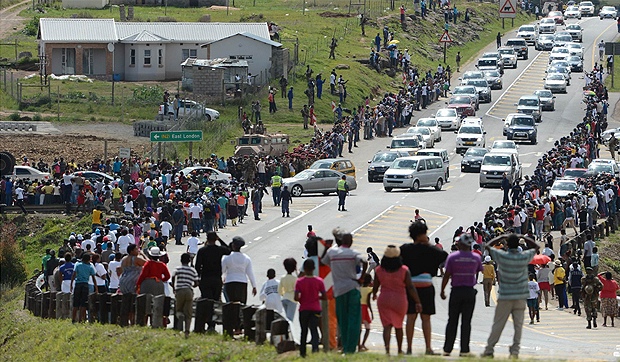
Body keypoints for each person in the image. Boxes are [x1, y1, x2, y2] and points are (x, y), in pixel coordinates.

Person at [482, 234, 539, 359]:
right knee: (518, 326)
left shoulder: (502, 256)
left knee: (498, 324)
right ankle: (515, 351)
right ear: (518, 245)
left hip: (505, 296)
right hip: (520, 296)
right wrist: (521, 237)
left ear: (507, 245)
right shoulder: (523, 257)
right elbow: (536, 246)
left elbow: (487, 246)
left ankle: (489, 349)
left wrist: (501, 237)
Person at [400, 221, 448, 355]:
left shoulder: (405, 249)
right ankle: (428, 348)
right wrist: (428, 244)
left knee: (411, 317)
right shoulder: (431, 250)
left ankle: (409, 348)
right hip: (426, 286)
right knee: (426, 318)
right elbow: (444, 255)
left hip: (410, 286)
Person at [320, 233, 368, 354]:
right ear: (350, 242)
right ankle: (351, 349)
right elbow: (364, 261)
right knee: (354, 320)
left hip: (339, 290)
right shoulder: (353, 253)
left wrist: (327, 246)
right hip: (352, 288)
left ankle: (345, 347)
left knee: (342, 320)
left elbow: (323, 262)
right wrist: (362, 278)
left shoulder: (332, 253)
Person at [373, 245, 423, 355]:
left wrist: (373, 294)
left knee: (387, 326)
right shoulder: (404, 270)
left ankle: (387, 351)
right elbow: (410, 287)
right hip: (399, 300)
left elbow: (376, 286)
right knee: (398, 325)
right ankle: (400, 350)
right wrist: (417, 301)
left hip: (384, 299)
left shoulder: (379, 270)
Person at [440, 233, 482, 357]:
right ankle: (464, 350)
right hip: (469, 292)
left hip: (456, 291)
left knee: (452, 320)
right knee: (466, 322)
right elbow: (478, 271)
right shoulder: (476, 258)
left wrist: (442, 290)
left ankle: (447, 349)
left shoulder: (452, 257)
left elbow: (447, 275)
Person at [194, 231, 231, 331]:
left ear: (207, 239)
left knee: (206, 301)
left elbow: (197, 266)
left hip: (205, 279)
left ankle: (204, 322)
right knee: (215, 302)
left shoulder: (202, 251)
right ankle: (212, 324)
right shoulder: (219, 250)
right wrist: (220, 240)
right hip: (216, 280)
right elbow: (229, 250)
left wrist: (197, 279)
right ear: (215, 239)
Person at [294, 259, 326, 358]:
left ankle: (302, 352)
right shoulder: (319, 281)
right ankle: (315, 351)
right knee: (314, 329)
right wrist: (317, 297)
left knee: (304, 330)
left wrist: (302, 300)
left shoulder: (299, 281)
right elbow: (324, 296)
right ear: (314, 268)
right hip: (315, 308)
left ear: (304, 268)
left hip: (304, 309)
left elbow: (296, 297)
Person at [222, 237, 257, 305]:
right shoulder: (246, 258)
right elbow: (250, 273)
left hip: (230, 282)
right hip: (242, 283)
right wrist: (254, 286)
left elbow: (222, 270)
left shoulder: (226, 257)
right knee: (242, 304)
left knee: (231, 304)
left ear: (233, 245)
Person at [171, 253, 199, 337]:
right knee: (188, 312)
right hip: (189, 291)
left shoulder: (178, 268)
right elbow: (196, 282)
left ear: (181, 260)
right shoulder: (192, 270)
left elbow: (172, 277)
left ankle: (179, 325)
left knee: (178, 310)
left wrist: (173, 287)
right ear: (189, 261)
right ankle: (187, 331)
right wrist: (192, 285)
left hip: (179, 291)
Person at [70, 253, 97, 323]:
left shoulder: (78, 265)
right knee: (83, 303)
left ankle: (73, 319)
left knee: (76, 303)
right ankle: (81, 319)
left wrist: (71, 284)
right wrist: (96, 288)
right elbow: (93, 278)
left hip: (78, 284)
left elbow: (73, 275)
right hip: (85, 284)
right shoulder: (90, 267)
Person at [359, 274, 373, 352]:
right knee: (367, 328)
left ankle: (358, 344)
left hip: (359, 307)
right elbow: (368, 302)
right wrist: (371, 311)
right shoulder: (369, 290)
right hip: (365, 308)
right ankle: (363, 343)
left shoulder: (359, 288)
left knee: (359, 328)